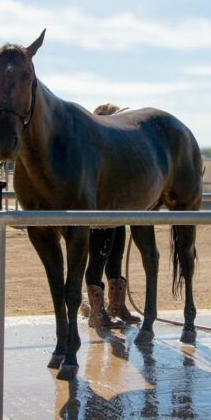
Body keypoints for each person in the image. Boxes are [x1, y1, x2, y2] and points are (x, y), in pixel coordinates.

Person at [83, 104, 141, 327]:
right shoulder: (96, 148)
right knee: (98, 259)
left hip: (116, 211)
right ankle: (97, 314)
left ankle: (116, 306)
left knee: (114, 258)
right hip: (101, 213)